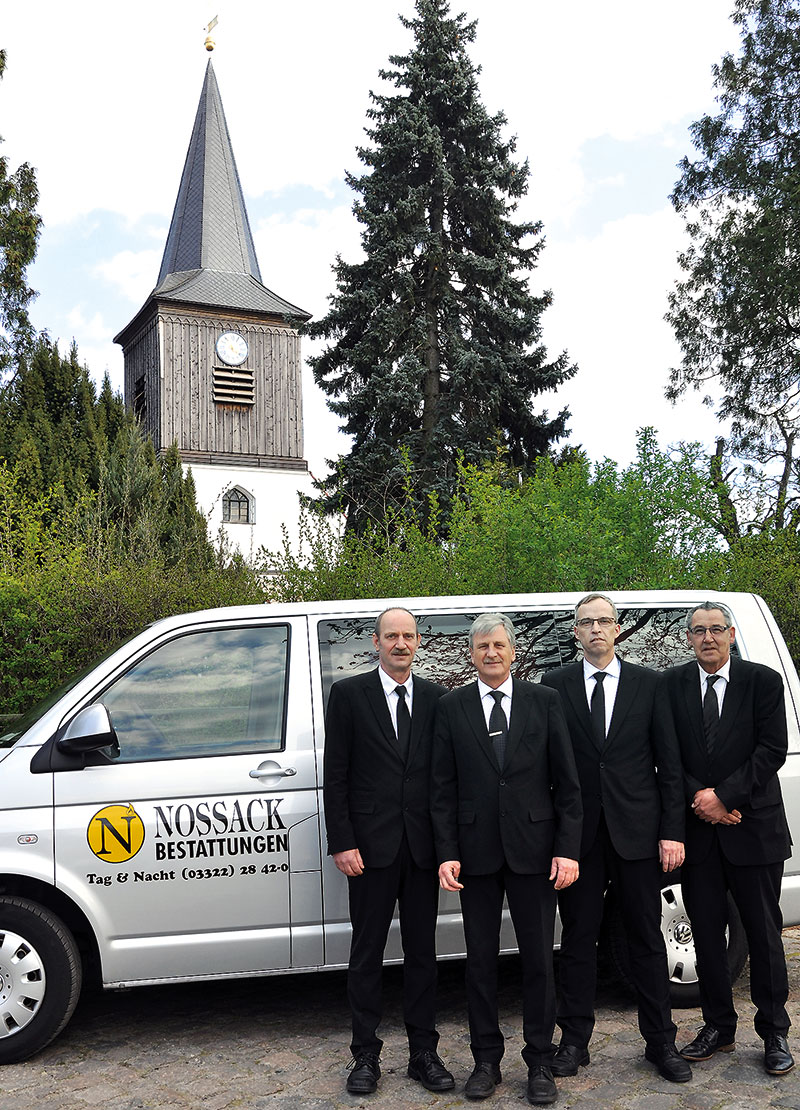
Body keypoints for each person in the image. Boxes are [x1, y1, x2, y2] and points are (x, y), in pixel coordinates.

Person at [431, 613, 582, 1105]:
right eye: (482, 647)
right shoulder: (451, 707)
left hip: (536, 852)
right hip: (474, 855)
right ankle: (485, 1060)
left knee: (539, 959)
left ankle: (540, 1062)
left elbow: (568, 785)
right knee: (479, 962)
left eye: (499, 645)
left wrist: (566, 849)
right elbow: (442, 789)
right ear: (470, 654)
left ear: (513, 651)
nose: (491, 653)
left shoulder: (545, 702)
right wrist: (447, 853)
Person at [541, 593, 690, 1083]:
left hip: (639, 834)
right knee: (579, 940)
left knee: (647, 937)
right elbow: (548, 769)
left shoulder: (651, 684)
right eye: (587, 622)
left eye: (605, 621)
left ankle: (661, 1042)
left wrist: (672, 831)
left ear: (619, 628)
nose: (596, 629)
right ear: (575, 631)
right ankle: (575, 1042)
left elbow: (670, 767)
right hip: (579, 837)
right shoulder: (555, 685)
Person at [323, 607, 454, 1095]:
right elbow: (335, 777)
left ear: (417, 642)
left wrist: (446, 850)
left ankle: (424, 1053)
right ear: (375, 642)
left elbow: (443, 782)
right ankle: (365, 1057)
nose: (400, 644)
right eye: (391, 636)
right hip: (369, 851)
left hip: (421, 852)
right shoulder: (349, 696)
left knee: (423, 954)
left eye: (408, 636)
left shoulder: (439, 700)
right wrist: (343, 842)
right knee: (367, 954)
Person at [664, 601, 794, 1076]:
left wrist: (725, 796)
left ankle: (775, 1031)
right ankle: (718, 1025)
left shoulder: (762, 681)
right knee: (705, 935)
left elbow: (772, 749)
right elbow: (666, 752)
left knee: (763, 932)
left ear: (732, 634)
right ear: (688, 638)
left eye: (716, 629)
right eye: (698, 631)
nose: (707, 638)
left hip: (753, 829)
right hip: (699, 835)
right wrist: (702, 799)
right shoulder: (673, 685)